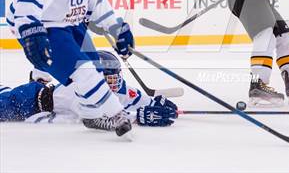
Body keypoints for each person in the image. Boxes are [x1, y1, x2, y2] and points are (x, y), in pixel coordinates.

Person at [10, 0, 134, 137]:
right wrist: (31, 29)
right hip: (47, 28)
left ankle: (91, 114)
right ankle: (117, 114)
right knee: (84, 73)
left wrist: (118, 29)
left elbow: (97, 2)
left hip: (70, 26)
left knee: (94, 67)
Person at [0, 51, 178, 127]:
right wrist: (137, 117)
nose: (114, 84)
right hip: (29, 101)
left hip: (46, 94)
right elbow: (98, 119)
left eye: (115, 78)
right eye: (108, 79)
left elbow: (135, 98)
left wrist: (156, 103)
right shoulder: (83, 91)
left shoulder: (116, 87)